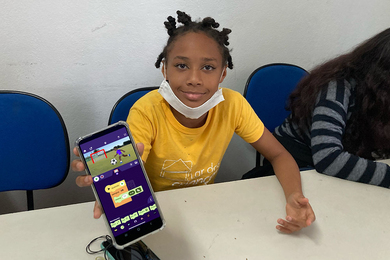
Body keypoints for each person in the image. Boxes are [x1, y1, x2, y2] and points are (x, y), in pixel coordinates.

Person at [73, 11, 315, 233]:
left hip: (205, 212)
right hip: (155, 213)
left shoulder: (233, 105)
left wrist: (294, 195)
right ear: (165, 70)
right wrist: (111, 182)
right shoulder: (146, 111)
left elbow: (280, 155)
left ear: (222, 74)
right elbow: (126, 173)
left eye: (208, 67)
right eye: (181, 66)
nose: (194, 79)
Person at [244, 28, 390, 188]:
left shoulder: (379, 95)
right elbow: (328, 158)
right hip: (295, 165)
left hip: (333, 167)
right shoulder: (338, 87)